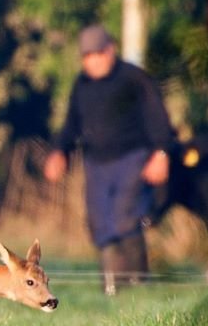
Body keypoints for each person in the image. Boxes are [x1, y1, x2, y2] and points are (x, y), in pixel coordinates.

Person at [42, 24, 174, 294]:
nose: (92, 61)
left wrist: (161, 154)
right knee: (100, 222)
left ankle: (137, 285)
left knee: (126, 217)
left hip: (133, 158)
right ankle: (111, 288)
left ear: (111, 50)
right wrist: (59, 152)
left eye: (97, 54)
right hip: (96, 162)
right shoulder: (82, 84)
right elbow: (72, 123)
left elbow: (159, 120)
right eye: (86, 56)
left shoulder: (134, 78)